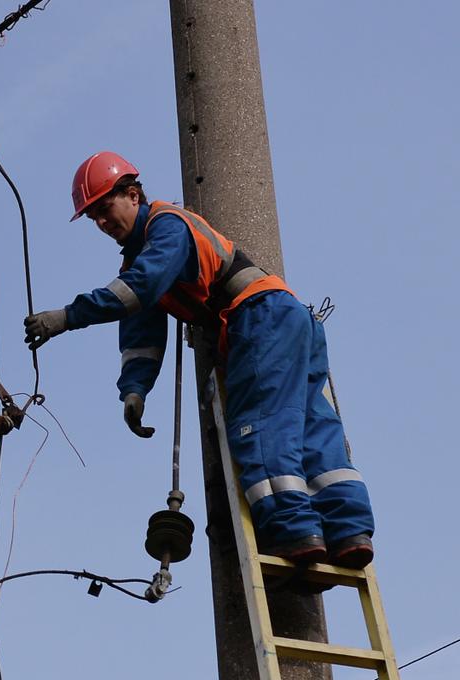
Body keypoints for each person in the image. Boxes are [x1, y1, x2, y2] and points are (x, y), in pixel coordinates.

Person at [23, 152, 374, 568]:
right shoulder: (142, 256)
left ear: (133, 195)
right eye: (93, 217)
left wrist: (66, 317)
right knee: (310, 424)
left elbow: (139, 289)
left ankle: (294, 531)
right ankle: (348, 529)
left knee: (260, 423)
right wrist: (134, 391)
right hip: (287, 318)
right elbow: (141, 332)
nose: (101, 221)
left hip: (259, 319)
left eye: (105, 207)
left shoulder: (167, 225)